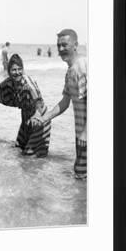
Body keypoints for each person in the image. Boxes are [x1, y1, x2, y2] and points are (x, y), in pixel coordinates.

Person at [0, 54, 51, 157]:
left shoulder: (27, 82)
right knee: (19, 149)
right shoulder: (9, 82)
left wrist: (38, 116)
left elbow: (39, 101)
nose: (17, 72)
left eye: (19, 69)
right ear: (9, 71)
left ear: (23, 69)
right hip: (26, 118)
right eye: (14, 70)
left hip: (40, 117)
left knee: (30, 156)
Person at [39, 29, 87, 179]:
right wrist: (44, 118)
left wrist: (85, 134)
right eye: (58, 46)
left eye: (64, 45)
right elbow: (65, 102)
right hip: (81, 134)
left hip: (87, 135)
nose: (60, 49)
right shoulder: (70, 71)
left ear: (75, 45)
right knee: (81, 176)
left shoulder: (82, 67)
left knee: (81, 175)